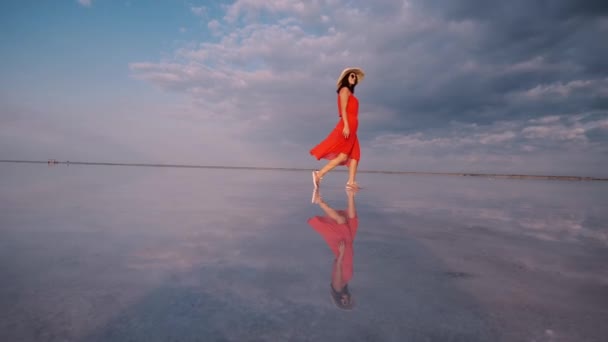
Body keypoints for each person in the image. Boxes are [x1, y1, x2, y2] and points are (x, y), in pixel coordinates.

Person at [310, 67, 365, 190]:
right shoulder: (344, 90)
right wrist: (346, 125)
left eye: (355, 77)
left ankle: (351, 182)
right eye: (352, 75)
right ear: (346, 77)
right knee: (344, 156)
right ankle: (319, 174)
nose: (354, 78)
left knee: (356, 155)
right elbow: (343, 110)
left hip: (353, 127)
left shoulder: (350, 93)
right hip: (348, 126)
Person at [307, 187, 359, 310]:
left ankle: (319, 200)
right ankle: (351, 194)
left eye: (344, 302)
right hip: (348, 248)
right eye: (348, 300)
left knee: (340, 220)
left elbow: (337, 268)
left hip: (343, 251)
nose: (346, 299)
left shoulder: (337, 287)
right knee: (352, 220)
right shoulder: (344, 284)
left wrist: (341, 254)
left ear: (339, 299)